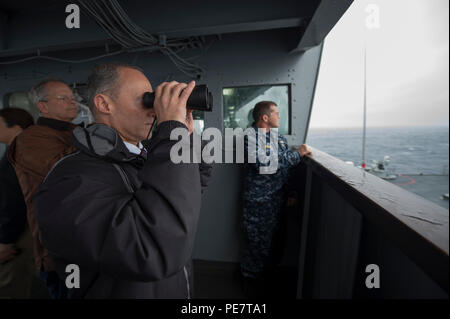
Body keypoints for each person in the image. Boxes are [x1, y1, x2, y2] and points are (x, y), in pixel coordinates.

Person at [33, 62, 210, 299]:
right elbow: (151, 250)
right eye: (147, 100)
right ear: (104, 104)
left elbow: (187, 193)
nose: (153, 110)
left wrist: (181, 136)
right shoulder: (68, 181)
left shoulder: (141, 156)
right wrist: (169, 136)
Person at [7, 79, 79, 299]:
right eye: (63, 98)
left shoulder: (76, 132)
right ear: (42, 106)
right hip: (58, 249)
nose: (72, 102)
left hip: (85, 240)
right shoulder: (30, 139)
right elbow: (63, 170)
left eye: (73, 98)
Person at [241, 100, 311, 296]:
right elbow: (264, 164)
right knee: (255, 248)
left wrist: (291, 192)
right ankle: (251, 287)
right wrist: (297, 155)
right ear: (265, 117)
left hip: (277, 203)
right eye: (276, 113)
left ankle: (268, 285)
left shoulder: (279, 138)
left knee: (276, 246)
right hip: (258, 205)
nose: (279, 116)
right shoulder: (250, 137)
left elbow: (285, 169)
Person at [0, 108, 35, 298]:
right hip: (32, 227)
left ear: (14, 127)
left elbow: (14, 204)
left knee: (10, 284)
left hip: (21, 233)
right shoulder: (32, 151)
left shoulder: (14, 157)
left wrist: (6, 241)